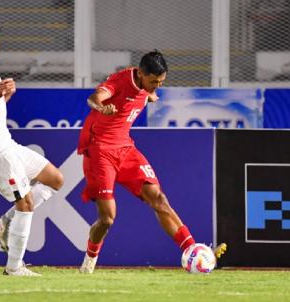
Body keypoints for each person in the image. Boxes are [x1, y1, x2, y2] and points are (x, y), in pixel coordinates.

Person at [77, 50, 227, 273]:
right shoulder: (119, 81)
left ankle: (192, 249)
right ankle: (90, 257)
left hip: (126, 149)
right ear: (140, 73)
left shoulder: (145, 87)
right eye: (154, 82)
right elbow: (94, 98)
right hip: (100, 151)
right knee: (107, 219)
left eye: (161, 82)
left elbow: (140, 94)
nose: (157, 86)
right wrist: (102, 106)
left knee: (158, 198)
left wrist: (148, 94)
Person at [0, 19, 63, 277]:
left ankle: (5, 221)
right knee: (26, 202)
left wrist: (5, 95)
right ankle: (14, 267)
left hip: (7, 144)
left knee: (55, 179)